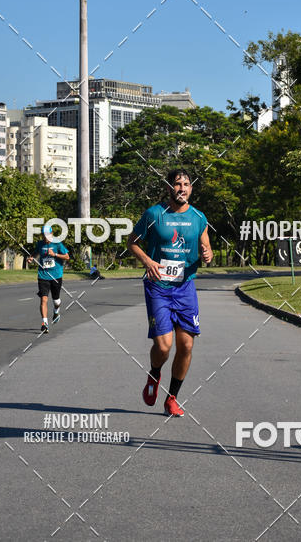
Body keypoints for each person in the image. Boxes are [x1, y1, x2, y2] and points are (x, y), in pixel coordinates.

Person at [128, 168, 213, 418]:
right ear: (169, 187)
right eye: (178, 184)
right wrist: (147, 261)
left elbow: (206, 248)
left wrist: (208, 255)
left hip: (185, 287)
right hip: (158, 286)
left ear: (191, 189)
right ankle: (155, 374)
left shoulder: (199, 217)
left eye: (187, 184)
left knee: (186, 345)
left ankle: (172, 399)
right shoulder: (154, 214)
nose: (182, 188)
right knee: (164, 347)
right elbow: (132, 242)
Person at [28, 224, 69, 333]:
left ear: (51, 234)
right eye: (43, 235)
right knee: (44, 299)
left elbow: (67, 257)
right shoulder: (40, 244)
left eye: (47, 235)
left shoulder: (58, 243)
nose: (45, 237)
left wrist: (55, 254)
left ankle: (56, 311)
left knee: (56, 300)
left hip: (56, 275)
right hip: (43, 275)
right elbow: (36, 252)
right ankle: (45, 323)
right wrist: (31, 258)